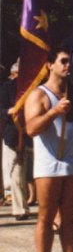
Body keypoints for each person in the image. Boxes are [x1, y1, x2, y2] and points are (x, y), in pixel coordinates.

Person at [24, 47, 73, 252]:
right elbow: (31, 128)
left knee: (70, 217)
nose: (67, 65)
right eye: (62, 61)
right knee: (46, 216)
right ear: (50, 65)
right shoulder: (39, 95)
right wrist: (54, 111)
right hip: (49, 161)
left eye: (69, 61)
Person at [3, 60, 31, 221]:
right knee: (16, 173)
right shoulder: (7, 88)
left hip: (29, 134)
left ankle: (24, 205)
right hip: (13, 135)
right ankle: (20, 208)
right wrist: (10, 110)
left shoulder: (31, 88)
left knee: (24, 173)